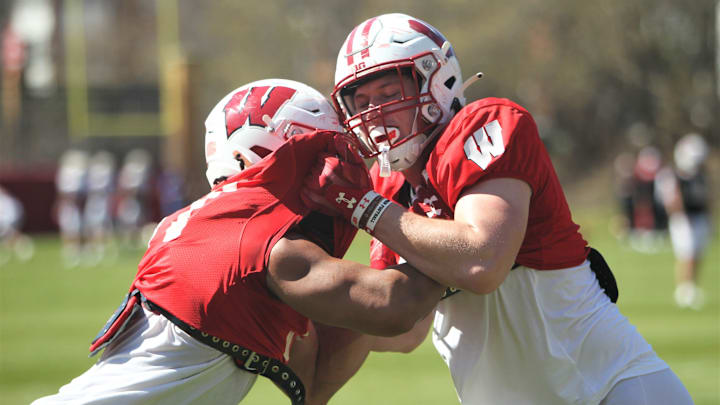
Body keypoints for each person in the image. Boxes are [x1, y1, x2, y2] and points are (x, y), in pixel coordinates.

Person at [302, 13, 694, 404]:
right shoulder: (387, 188)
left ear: (436, 82)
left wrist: (364, 206)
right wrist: (298, 308)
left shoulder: (483, 124)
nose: (374, 115)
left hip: (609, 387)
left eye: (389, 94)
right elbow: (404, 327)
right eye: (362, 102)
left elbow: (482, 260)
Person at [32, 79, 443, 405]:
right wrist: (442, 219)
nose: (336, 166)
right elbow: (393, 306)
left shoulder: (205, 224)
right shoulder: (263, 245)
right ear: (251, 158)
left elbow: (318, 373)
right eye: (317, 152)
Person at [656, 133, 712, 310]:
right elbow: (672, 201)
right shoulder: (673, 176)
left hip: (700, 217)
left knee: (697, 254)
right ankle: (684, 290)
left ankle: (692, 287)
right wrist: (680, 215)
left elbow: (707, 197)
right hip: (684, 219)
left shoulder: (701, 175)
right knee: (686, 254)